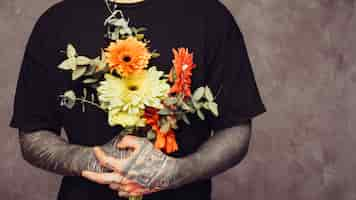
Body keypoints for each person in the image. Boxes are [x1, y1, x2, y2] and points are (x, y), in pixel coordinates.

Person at [9, 0, 266, 199]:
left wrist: (178, 172)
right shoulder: (56, 22)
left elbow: (236, 128)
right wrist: (92, 160)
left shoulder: (211, 16)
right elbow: (33, 134)